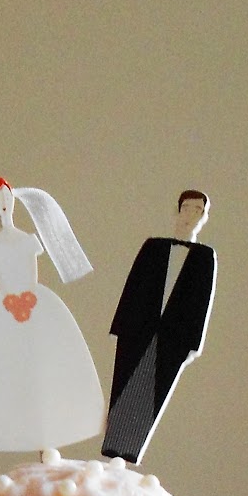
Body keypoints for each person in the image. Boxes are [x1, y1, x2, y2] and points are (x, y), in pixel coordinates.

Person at [0, 177, 105, 451]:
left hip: (35, 302)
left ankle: (67, 424)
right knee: (11, 367)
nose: (4, 206)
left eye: (6, 200)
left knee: (50, 358)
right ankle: (18, 432)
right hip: (6, 308)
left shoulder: (25, 239)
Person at [102, 190, 216, 463]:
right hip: (136, 327)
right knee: (125, 383)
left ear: (204, 217)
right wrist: (120, 325)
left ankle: (130, 450)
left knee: (154, 391)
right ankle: (113, 445)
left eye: (198, 210)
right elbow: (133, 286)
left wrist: (193, 346)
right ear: (177, 210)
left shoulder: (204, 258)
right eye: (187, 208)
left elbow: (200, 304)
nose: (191, 215)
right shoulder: (153, 247)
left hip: (176, 337)